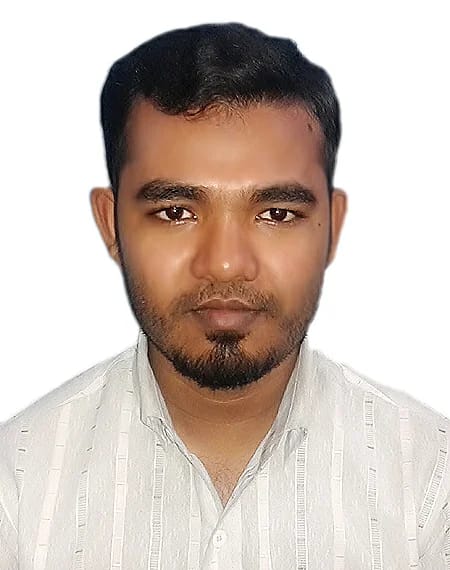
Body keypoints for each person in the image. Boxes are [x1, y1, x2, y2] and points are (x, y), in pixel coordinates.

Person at [0, 21, 448, 569]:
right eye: (176, 212)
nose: (226, 262)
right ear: (110, 224)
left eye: (276, 213)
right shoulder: (16, 489)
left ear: (332, 226)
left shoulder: (432, 485)